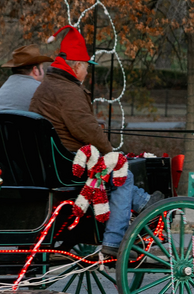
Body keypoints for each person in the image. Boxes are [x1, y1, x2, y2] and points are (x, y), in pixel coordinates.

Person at [29, 25, 159, 257]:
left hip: (51, 161)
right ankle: (114, 240)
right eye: (86, 67)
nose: (87, 73)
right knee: (123, 176)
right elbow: (88, 130)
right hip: (69, 165)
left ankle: (145, 203)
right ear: (77, 66)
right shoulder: (68, 91)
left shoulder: (47, 86)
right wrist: (113, 154)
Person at [0, 45, 53, 112]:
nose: (43, 72)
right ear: (35, 70)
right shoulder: (41, 90)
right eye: (42, 68)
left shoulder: (4, 89)